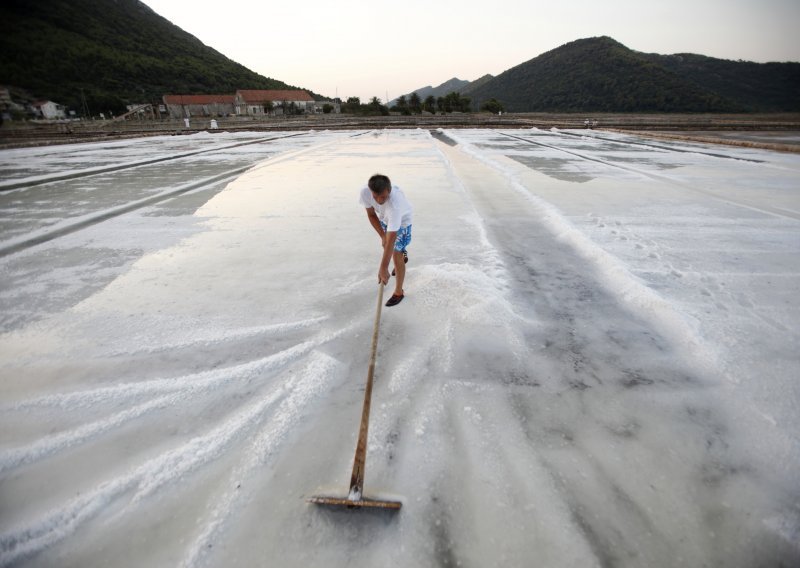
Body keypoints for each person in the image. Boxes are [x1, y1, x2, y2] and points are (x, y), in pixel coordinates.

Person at [359, 174, 413, 307]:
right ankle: (401, 255)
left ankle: (399, 292)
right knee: (389, 246)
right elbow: (371, 215)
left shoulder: (395, 205)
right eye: (375, 196)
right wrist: (383, 235)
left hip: (403, 223)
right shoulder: (365, 192)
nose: (378, 200)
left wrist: (383, 268)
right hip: (385, 219)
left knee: (395, 252)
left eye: (383, 196)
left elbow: (392, 240)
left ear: (389, 191)